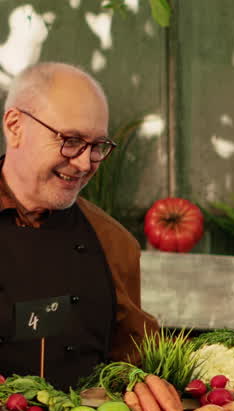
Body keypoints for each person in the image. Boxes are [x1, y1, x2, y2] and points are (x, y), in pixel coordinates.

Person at [0, 62, 156, 388]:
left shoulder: (114, 243)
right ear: (15, 126)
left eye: (97, 146)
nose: (85, 163)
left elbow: (135, 363)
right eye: (70, 140)